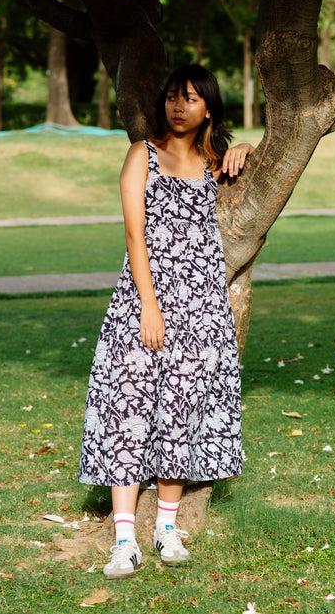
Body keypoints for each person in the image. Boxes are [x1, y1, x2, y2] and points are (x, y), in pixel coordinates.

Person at [77, 63, 255, 580]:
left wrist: (245, 148)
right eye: (174, 96)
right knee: (129, 407)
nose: (180, 106)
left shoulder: (212, 159)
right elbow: (135, 238)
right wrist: (149, 306)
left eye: (193, 99)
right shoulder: (141, 155)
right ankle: (125, 539)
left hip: (202, 307)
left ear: (208, 110)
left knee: (182, 409)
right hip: (144, 302)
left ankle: (168, 529)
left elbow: (259, 159)